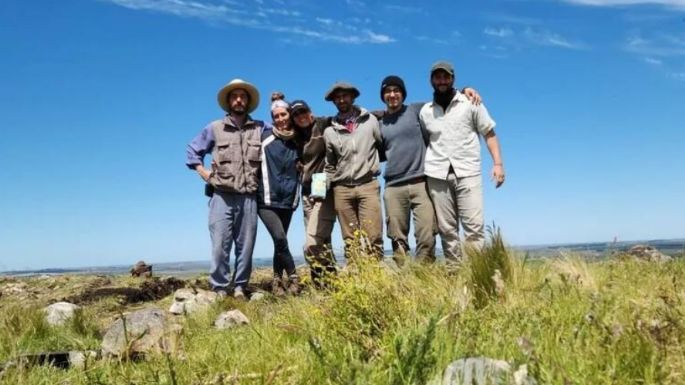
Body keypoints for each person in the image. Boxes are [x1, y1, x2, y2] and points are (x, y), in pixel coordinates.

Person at [378, 76, 482, 265]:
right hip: (393, 187)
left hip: (421, 183)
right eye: (388, 91)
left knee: (426, 237)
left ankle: (423, 278)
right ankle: (404, 282)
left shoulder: (417, 110)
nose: (392, 95)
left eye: (396, 90)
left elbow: (445, 100)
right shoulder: (379, 122)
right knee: (397, 240)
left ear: (403, 93)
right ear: (383, 96)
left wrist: (465, 89)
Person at [185, 78, 265, 300]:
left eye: (243, 96)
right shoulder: (214, 128)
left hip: (249, 197)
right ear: (229, 101)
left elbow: (284, 130)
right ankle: (220, 288)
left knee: (246, 246)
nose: (239, 100)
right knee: (220, 245)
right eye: (234, 96)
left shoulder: (260, 128)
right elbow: (192, 151)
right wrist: (205, 173)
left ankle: (240, 287)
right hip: (221, 196)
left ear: (248, 102)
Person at [419, 61, 505, 263]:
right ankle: (454, 272)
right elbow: (427, 140)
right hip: (437, 174)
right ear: (431, 80)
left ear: (452, 79)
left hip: (468, 172)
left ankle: (476, 272)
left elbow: (489, 133)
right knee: (447, 229)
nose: (441, 81)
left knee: (474, 227)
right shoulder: (425, 111)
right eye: (437, 77)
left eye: (445, 77)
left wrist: (498, 164)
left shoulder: (471, 103)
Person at [323, 81, 384, 260]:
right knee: (350, 239)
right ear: (333, 101)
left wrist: (373, 166)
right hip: (341, 190)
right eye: (337, 97)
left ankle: (375, 278)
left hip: (368, 185)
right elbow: (330, 164)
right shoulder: (329, 131)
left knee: (373, 236)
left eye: (345, 96)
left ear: (352, 97)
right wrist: (320, 191)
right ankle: (356, 278)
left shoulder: (370, 121)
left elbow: (381, 145)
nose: (341, 100)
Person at [289, 100, 338, 287]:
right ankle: (324, 284)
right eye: (296, 114)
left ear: (310, 112)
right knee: (323, 241)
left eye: (303, 112)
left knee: (312, 243)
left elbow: (347, 117)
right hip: (306, 193)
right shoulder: (295, 136)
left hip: (322, 190)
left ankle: (329, 281)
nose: (301, 116)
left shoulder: (323, 123)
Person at [258, 93, 302, 296]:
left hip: (288, 200)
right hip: (266, 200)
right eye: (276, 116)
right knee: (280, 238)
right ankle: (294, 278)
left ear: (290, 115)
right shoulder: (264, 138)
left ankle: (277, 282)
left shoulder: (299, 141)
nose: (281, 119)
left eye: (284, 114)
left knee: (279, 242)